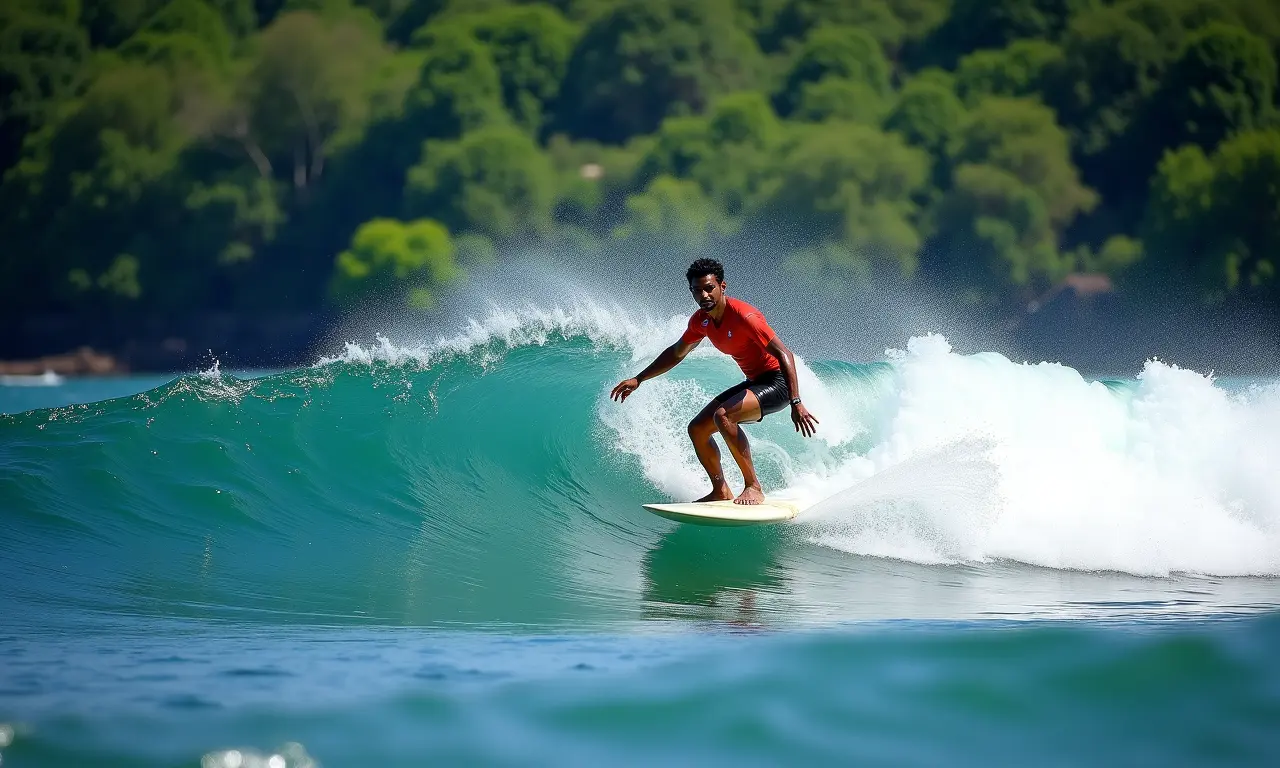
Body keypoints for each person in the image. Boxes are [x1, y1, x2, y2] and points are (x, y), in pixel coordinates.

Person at [611, 259, 819, 505]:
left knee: (723, 416)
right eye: (697, 290)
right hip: (755, 381)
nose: (704, 294)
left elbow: (785, 354)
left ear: (722, 286)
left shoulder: (745, 317)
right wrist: (639, 378)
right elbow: (678, 352)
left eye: (709, 288)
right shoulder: (701, 321)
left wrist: (796, 402)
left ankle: (753, 487)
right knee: (698, 429)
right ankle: (720, 490)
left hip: (779, 383)